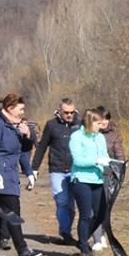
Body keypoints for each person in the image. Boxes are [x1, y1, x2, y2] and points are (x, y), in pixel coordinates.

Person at [0, 93, 42, 256]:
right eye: (20, 109)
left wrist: (27, 135)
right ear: (10, 109)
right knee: (12, 210)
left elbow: (22, 151)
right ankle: (22, 249)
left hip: (10, 173)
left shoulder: (15, 125)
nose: (22, 112)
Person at [32, 99, 80, 245]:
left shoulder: (80, 125)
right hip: (57, 170)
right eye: (66, 112)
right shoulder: (51, 125)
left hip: (75, 170)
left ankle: (67, 231)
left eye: (72, 112)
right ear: (59, 111)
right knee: (61, 201)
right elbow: (42, 147)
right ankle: (65, 231)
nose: (69, 115)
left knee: (71, 204)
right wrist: (34, 168)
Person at [69, 108, 111, 256]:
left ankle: (82, 240)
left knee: (100, 215)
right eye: (98, 123)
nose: (101, 126)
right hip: (81, 180)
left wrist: (110, 163)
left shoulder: (99, 137)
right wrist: (95, 161)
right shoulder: (76, 137)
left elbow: (104, 155)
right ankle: (84, 247)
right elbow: (78, 160)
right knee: (86, 214)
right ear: (90, 121)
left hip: (97, 179)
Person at [89, 106, 127, 251]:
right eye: (101, 119)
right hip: (91, 173)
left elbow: (119, 155)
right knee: (93, 208)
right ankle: (97, 239)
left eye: (106, 118)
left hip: (107, 175)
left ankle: (102, 234)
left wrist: (119, 166)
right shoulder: (90, 132)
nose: (104, 122)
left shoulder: (114, 135)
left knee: (105, 208)